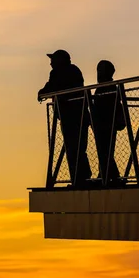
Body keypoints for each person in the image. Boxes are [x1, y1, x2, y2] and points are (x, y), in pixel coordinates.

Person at [38, 50, 92, 187]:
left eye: (53, 60)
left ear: (60, 61)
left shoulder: (57, 73)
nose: (50, 63)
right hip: (81, 115)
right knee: (80, 147)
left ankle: (78, 179)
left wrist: (41, 93)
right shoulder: (75, 71)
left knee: (72, 148)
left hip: (69, 116)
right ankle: (84, 177)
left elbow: (51, 87)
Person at [91, 60, 126, 186]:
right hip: (105, 123)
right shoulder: (110, 86)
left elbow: (105, 105)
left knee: (105, 150)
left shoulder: (106, 86)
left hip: (105, 124)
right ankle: (106, 175)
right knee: (106, 151)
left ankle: (111, 176)